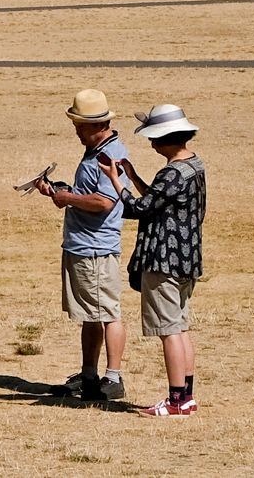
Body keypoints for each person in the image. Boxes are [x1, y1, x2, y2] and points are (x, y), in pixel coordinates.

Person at [97, 104, 205, 418]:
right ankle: (186, 396)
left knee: (169, 330)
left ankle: (175, 402)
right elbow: (157, 201)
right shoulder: (193, 166)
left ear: (167, 138)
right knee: (181, 327)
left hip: (163, 259)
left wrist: (117, 181)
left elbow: (138, 209)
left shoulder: (171, 172)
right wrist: (132, 175)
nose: (151, 144)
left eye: (154, 138)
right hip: (186, 258)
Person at [35, 89, 130, 401]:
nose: (76, 132)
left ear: (98, 125)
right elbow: (88, 194)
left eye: (80, 127)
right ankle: (89, 375)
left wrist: (68, 198)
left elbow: (104, 201)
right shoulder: (96, 151)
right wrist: (60, 192)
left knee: (109, 313)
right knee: (92, 314)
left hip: (95, 249)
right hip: (82, 246)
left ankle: (112, 378)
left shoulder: (108, 155)